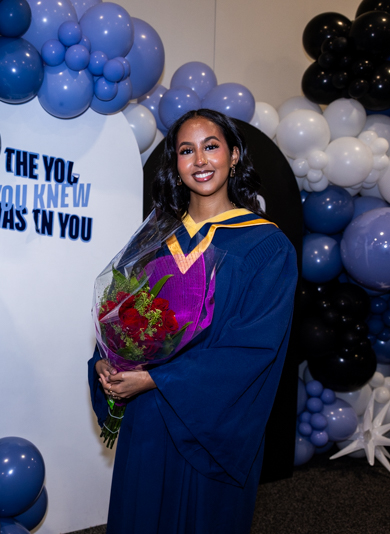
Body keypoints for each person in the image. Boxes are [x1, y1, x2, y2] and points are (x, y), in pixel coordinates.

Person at [88, 108, 298, 533]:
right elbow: (123, 312)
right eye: (187, 151)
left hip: (209, 424)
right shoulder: (154, 238)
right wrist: (107, 362)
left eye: (211, 147)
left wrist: (157, 379)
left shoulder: (266, 246)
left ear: (234, 156)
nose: (200, 160)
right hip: (147, 414)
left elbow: (253, 348)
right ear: (176, 163)